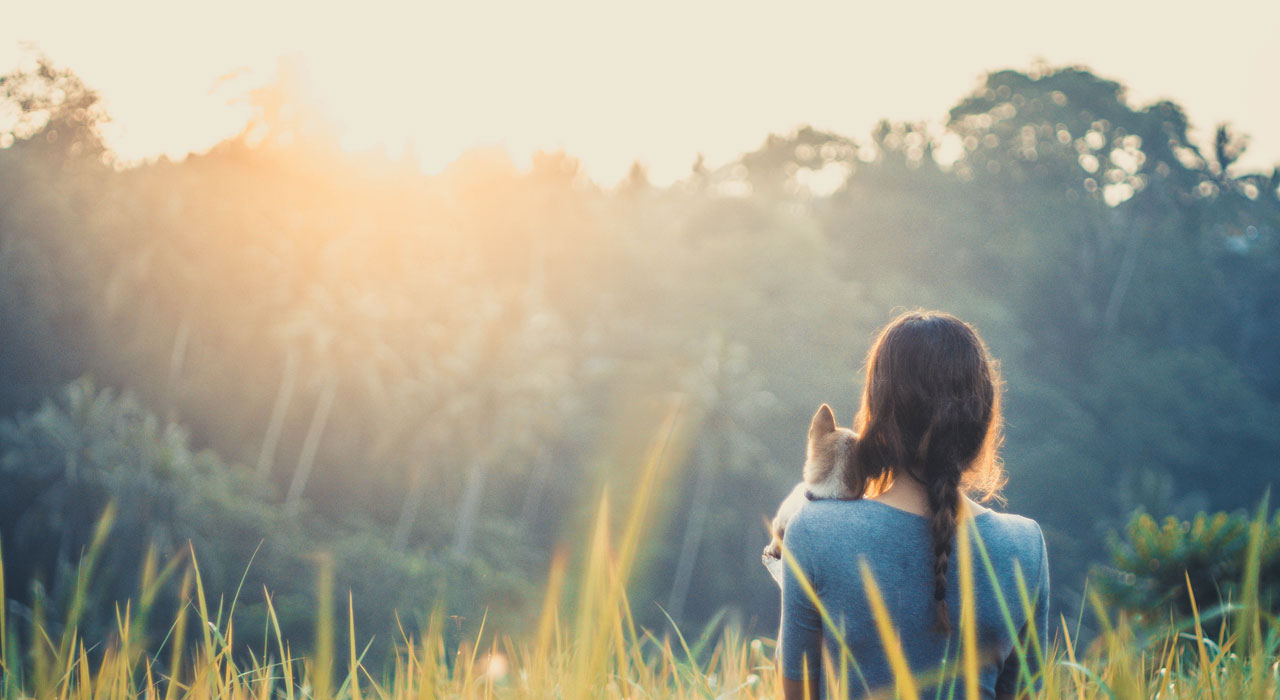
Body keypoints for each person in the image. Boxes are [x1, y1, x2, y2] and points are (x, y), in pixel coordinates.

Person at [776, 311, 1050, 700]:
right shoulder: (1025, 546)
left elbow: (796, 691)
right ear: (982, 420)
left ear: (879, 419)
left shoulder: (815, 532)